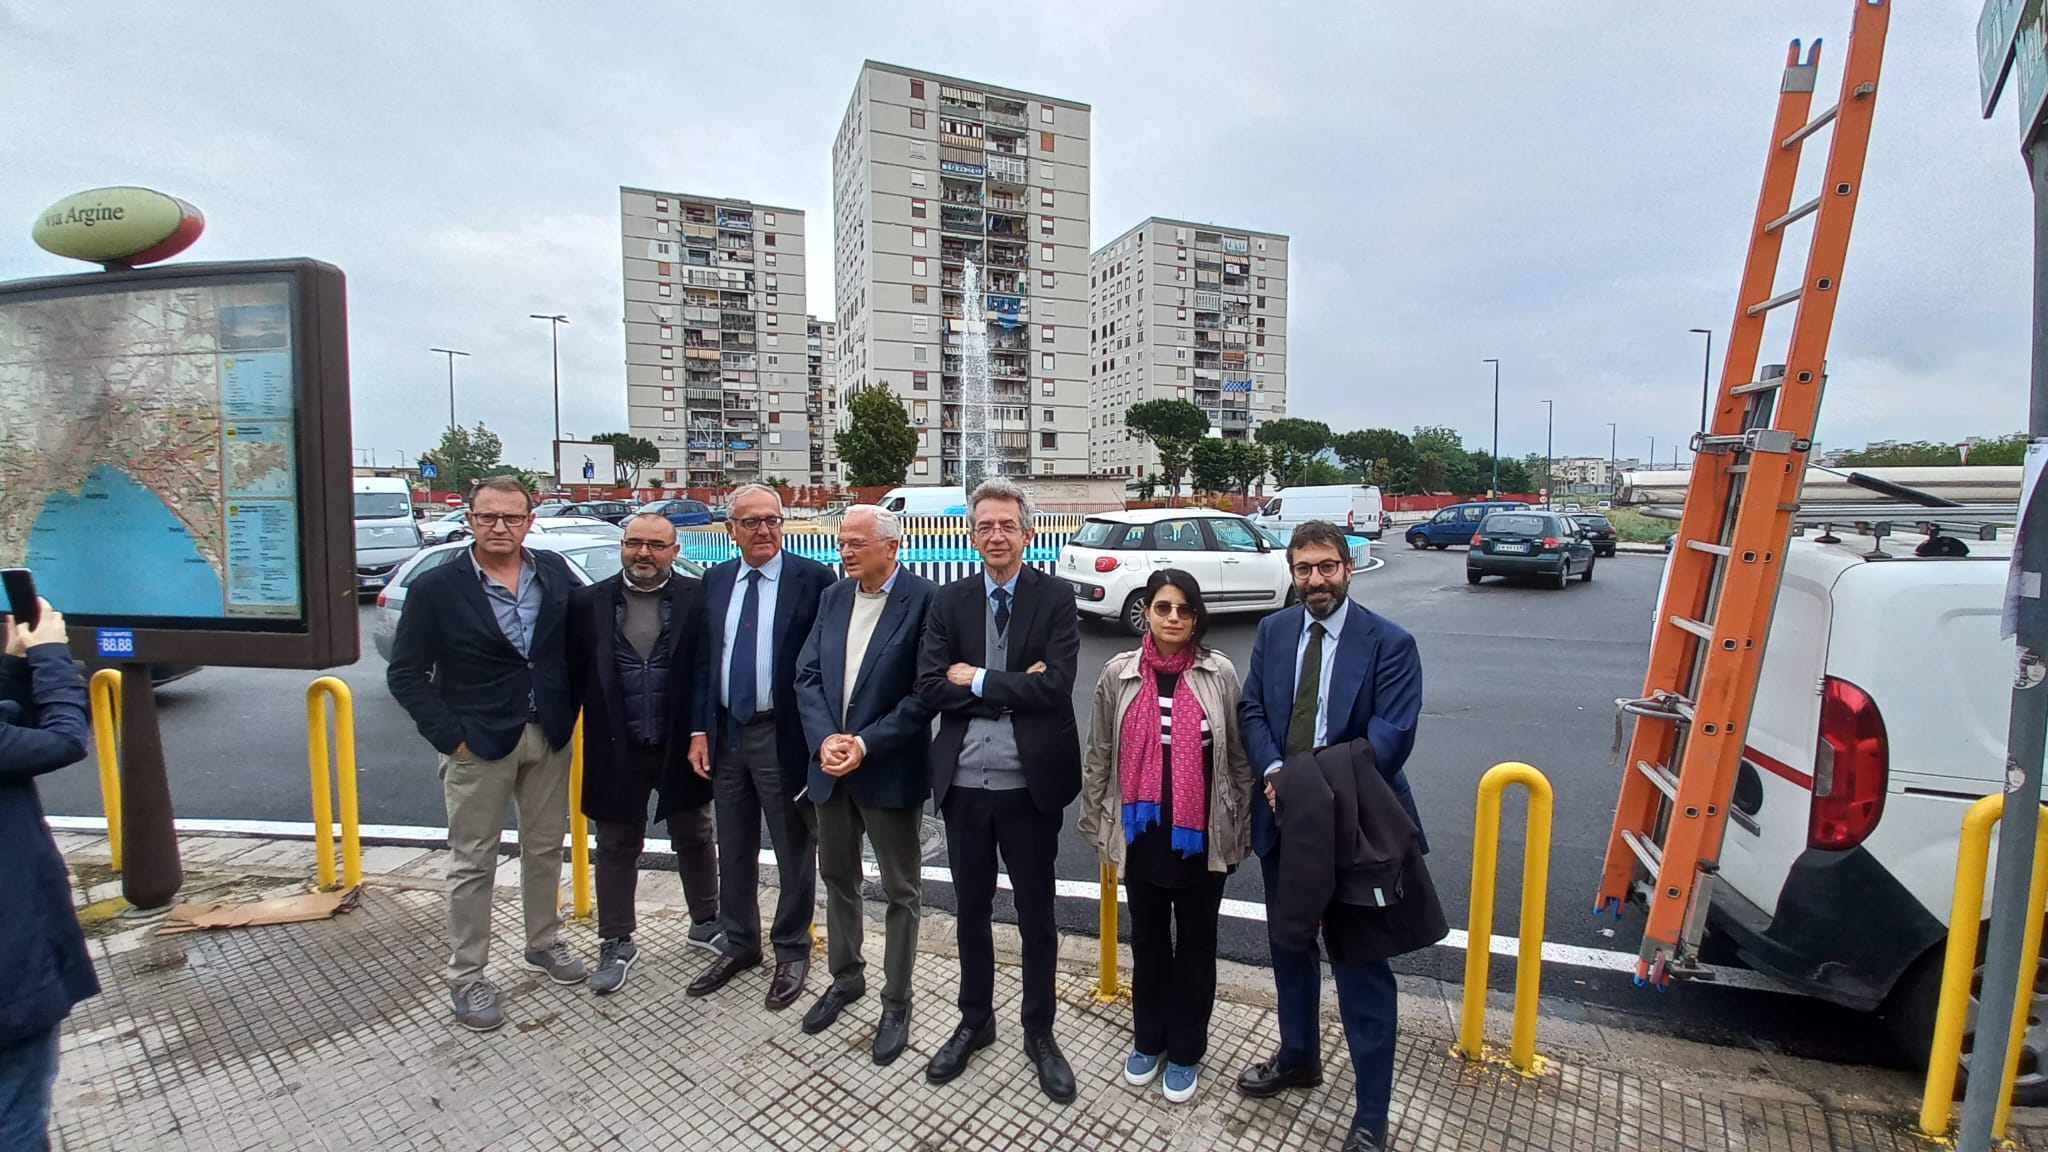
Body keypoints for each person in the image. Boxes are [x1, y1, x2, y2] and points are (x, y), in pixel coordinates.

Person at [1235, 520, 1424, 1152]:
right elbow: (1253, 711)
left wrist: (1301, 785)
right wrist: (1273, 773)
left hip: (1356, 830)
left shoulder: (1390, 644)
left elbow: (1387, 744)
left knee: (1361, 969)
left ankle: (1372, 1114)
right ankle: (1299, 1057)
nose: (1314, 580)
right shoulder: (1273, 629)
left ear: (1348, 566)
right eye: (1303, 569)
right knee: (1290, 950)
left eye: (1325, 567)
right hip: (1281, 821)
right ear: (1291, 572)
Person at [387, 475, 587, 1032]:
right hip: (477, 741)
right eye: (488, 517)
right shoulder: (438, 588)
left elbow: (577, 639)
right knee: (473, 860)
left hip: (547, 732)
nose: (500, 527)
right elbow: (405, 674)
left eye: (512, 517)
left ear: (530, 519)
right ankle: (467, 975)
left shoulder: (551, 571)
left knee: (545, 847)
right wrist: (449, 735)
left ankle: (543, 942)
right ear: (470, 519)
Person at [914, 477, 1081, 1103]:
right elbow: (931, 687)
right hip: (963, 784)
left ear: (1027, 531)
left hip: (1029, 785)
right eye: (985, 524)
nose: (995, 535)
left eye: (1007, 525)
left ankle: (1039, 1030)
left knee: (1037, 914)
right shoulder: (949, 601)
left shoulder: (1056, 596)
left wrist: (978, 678)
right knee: (971, 911)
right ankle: (974, 1021)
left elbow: (1056, 685)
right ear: (971, 529)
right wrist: (1013, 685)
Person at [1077, 569, 1252, 1105]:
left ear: (1196, 617)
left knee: (1197, 946)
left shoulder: (1218, 673)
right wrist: (1096, 821)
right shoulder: (1118, 673)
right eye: (1162, 607)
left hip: (1201, 835)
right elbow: (1100, 752)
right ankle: (1148, 1039)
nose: (1172, 617)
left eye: (1182, 608)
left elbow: (1239, 758)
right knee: (1149, 943)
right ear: (1147, 613)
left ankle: (1185, 1051)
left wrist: (1239, 824)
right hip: (1142, 833)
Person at [793, 505, 935, 1065]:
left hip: (887, 768)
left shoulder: (923, 601)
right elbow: (806, 675)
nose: (845, 551)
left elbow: (924, 693)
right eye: (842, 542)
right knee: (837, 876)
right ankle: (845, 976)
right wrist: (825, 738)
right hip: (830, 766)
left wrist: (865, 743)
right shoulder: (833, 597)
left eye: (856, 543)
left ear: (891, 546)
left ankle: (896, 1000)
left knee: (902, 891)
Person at [687, 484, 834, 1011]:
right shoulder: (715, 580)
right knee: (734, 840)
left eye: (772, 519)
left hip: (784, 734)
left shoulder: (813, 580)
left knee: (795, 846)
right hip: (727, 734)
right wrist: (699, 729)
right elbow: (707, 659)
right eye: (751, 522)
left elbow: (825, 665)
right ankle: (740, 943)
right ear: (731, 530)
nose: (765, 530)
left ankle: (792, 948)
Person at [566, 512, 722, 997]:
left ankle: (706, 920)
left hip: (680, 739)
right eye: (635, 543)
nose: (644, 554)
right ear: (622, 547)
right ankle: (616, 939)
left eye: (656, 546)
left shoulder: (699, 600)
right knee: (615, 843)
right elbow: (570, 675)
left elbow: (708, 669)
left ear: (676, 552)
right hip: (616, 742)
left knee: (695, 833)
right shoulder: (589, 603)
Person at [0, 600, 94, 1151]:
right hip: (10, 966)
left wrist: (13, 668)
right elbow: (63, 740)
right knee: (17, 1114)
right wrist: (51, 655)